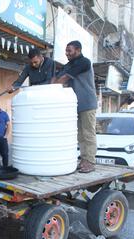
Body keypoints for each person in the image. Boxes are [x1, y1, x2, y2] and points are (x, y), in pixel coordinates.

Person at [51, 40, 98, 173]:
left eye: (69, 51)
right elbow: (57, 77)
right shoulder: (69, 64)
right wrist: (51, 81)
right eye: (66, 51)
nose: (67, 53)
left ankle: (90, 161)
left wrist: (52, 87)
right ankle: (84, 159)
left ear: (78, 50)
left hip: (87, 103)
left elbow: (64, 78)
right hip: (75, 105)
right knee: (80, 134)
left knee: (88, 133)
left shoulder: (84, 62)